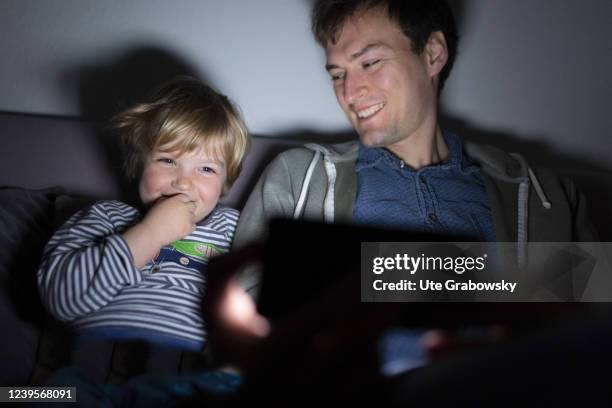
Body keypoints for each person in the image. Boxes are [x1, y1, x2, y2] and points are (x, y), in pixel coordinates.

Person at [222, 0, 598, 377]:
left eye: (370, 62)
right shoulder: (298, 178)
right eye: (337, 74)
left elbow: (590, 344)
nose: (350, 93)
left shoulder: (544, 197)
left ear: (433, 54)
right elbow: (235, 336)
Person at [37, 77, 250, 365]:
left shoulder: (231, 228)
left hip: (186, 373)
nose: (184, 182)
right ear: (138, 163)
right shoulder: (103, 216)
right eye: (168, 161)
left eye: (206, 169)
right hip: (98, 367)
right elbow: (60, 298)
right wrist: (150, 234)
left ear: (225, 183)